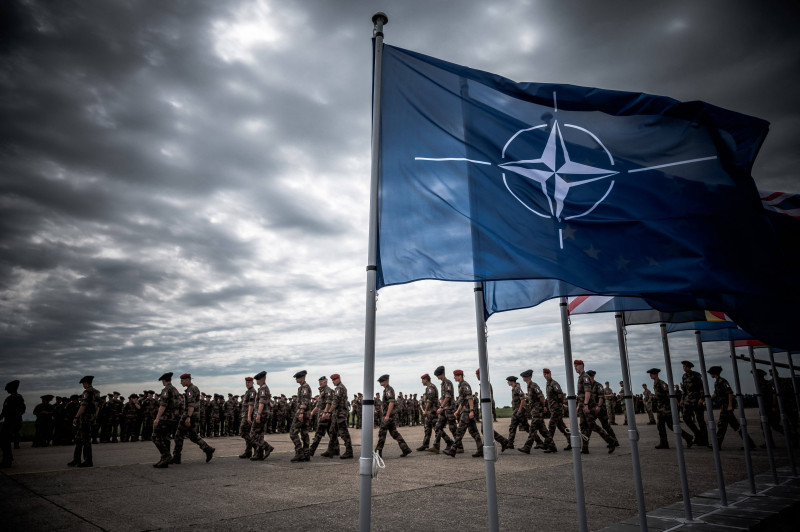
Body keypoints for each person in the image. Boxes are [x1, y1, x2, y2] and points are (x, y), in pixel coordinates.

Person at [708, 366, 755, 449]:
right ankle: (749, 443)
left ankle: (717, 444)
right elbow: (716, 393)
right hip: (724, 405)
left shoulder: (723, 381)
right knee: (735, 425)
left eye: (710, 373)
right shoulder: (717, 382)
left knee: (722, 424)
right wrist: (708, 400)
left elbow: (730, 393)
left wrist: (730, 406)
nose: (710, 374)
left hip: (727, 405)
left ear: (714, 373)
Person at [173, 373, 215, 464]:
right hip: (195, 415)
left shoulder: (190, 390)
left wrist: (188, 417)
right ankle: (208, 449)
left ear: (188, 380)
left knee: (178, 435)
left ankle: (176, 457)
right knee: (193, 436)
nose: (181, 382)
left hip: (189, 415)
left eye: (182, 380)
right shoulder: (194, 388)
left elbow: (191, 404)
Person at [575, 360, 615, 454]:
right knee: (583, 426)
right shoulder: (581, 377)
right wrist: (579, 405)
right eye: (574, 366)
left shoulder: (585, 377)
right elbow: (580, 394)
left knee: (592, 425)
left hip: (587, 406)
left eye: (577, 365)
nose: (575, 367)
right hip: (582, 405)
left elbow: (587, 392)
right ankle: (585, 448)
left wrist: (585, 405)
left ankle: (611, 441)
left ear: (582, 366)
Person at [649, 368, 693, 449]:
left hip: (666, 408)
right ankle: (664, 443)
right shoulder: (655, 383)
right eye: (650, 374)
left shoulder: (661, 383)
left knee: (671, 425)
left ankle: (688, 437)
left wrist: (675, 403)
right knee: (660, 426)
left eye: (652, 374)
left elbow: (670, 393)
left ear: (656, 374)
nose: (650, 375)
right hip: (660, 408)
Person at [443, 369, 483, 458]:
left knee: (459, 431)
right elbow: (463, 400)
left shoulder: (465, 385)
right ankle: (481, 450)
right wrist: (457, 411)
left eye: (455, 376)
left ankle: (453, 450)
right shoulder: (460, 385)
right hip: (465, 411)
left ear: (460, 376)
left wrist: (472, 410)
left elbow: (469, 398)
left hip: (467, 412)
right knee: (474, 432)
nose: (454, 377)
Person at [519, 369, 556, 454]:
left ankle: (527, 447)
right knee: (544, 431)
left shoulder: (534, 385)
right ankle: (552, 446)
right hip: (535, 411)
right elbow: (533, 398)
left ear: (528, 377)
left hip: (537, 412)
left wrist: (543, 407)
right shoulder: (529, 386)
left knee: (532, 430)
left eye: (524, 376)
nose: (523, 378)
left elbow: (541, 397)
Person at [375, 374, 412, 458]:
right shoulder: (386, 390)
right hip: (390, 416)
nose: (380, 382)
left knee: (382, 433)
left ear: (386, 381)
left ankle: (378, 452)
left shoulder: (388, 389)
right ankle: (405, 449)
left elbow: (391, 402)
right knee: (394, 433)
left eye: (382, 381)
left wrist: (387, 415)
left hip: (388, 416)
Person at [152, 372, 183, 468]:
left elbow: (163, 405)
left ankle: (166, 456)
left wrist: (157, 418)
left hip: (166, 418)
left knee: (155, 436)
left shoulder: (166, 390)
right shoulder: (175, 390)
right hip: (173, 418)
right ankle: (164, 460)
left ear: (164, 380)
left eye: (162, 380)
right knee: (165, 438)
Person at [68, 376, 99, 468]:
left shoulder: (87, 392)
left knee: (85, 440)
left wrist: (76, 417)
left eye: (83, 384)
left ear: (86, 383)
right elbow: (97, 407)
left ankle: (88, 461)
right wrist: (94, 418)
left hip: (85, 419)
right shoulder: (97, 392)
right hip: (90, 418)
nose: (83, 385)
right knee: (79, 438)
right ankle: (76, 459)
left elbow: (83, 406)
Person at [475, 369, 509, 450]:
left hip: (487, 410)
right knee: (486, 429)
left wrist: (487, 410)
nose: (476, 376)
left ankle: (501, 441)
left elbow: (488, 398)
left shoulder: (486, 384)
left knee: (485, 429)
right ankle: (502, 441)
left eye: (477, 374)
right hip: (486, 410)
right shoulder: (485, 383)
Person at [428, 366, 457, 454]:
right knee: (438, 426)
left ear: (442, 374)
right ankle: (437, 446)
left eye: (438, 375)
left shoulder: (448, 383)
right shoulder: (443, 384)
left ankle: (459, 446)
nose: (437, 377)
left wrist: (441, 407)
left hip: (449, 409)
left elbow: (448, 397)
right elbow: (444, 397)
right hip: (445, 409)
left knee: (453, 428)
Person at [680, 360, 709, 447]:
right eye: (683, 366)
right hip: (688, 400)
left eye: (685, 366)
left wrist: (701, 398)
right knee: (685, 417)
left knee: (700, 420)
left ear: (689, 367)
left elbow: (701, 387)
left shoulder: (696, 375)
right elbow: (684, 390)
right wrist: (682, 399)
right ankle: (698, 434)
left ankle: (704, 440)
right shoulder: (684, 376)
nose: (684, 368)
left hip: (697, 400)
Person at [249, 371, 276, 461]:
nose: (256, 381)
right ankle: (259, 454)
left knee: (252, 434)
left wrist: (258, 414)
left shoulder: (263, 389)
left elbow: (261, 403)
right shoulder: (262, 388)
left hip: (261, 414)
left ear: (262, 379)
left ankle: (267, 447)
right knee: (260, 434)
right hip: (263, 414)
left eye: (258, 379)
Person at [309, 376, 338, 457]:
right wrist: (312, 412)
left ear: (326, 382)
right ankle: (336, 449)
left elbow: (328, 403)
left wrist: (325, 413)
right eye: (319, 381)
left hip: (325, 415)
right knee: (331, 432)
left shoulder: (328, 390)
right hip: (323, 414)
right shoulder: (322, 391)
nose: (320, 383)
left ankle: (311, 451)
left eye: (322, 381)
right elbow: (318, 405)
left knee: (318, 432)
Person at [589, 371, 618, 448]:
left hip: (601, 409)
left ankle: (615, 441)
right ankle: (585, 446)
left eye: (591, 376)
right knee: (589, 425)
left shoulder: (598, 385)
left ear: (593, 376)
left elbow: (601, 397)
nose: (589, 378)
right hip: (592, 410)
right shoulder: (587, 386)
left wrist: (598, 406)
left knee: (606, 425)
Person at [1, 380, 26, 468]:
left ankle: (7, 460)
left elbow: (22, 410)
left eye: (8, 388)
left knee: (5, 440)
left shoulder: (18, 397)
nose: (7, 390)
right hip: (8, 422)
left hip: (13, 422)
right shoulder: (9, 398)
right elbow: (4, 411)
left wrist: (15, 417)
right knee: (4, 441)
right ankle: (7, 459)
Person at [543, 369, 570, 450]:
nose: (546, 375)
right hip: (552, 408)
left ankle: (550, 445)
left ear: (550, 374)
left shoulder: (554, 383)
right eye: (544, 374)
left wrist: (562, 404)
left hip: (557, 409)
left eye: (547, 374)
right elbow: (548, 397)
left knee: (551, 426)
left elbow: (560, 395)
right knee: (562, 427)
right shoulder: (548, 384)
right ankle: (572, 441)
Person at [290, 370, 313, 462]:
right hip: (304, 414)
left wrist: (301, 413)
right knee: (304, 433)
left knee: (292, 432)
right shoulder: (302, 387)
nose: (296, 379)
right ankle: (306, 454)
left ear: (302, 378)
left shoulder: (305, 388)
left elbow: (305, 401)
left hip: (302, 413)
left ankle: (299, 452)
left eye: (297, 377)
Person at [329, 374, 354, 459]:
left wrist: (329, 412)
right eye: (332, 380)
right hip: (337, 414)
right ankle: (331, 450)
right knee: (332, 431)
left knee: (343, 433)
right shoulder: (340, 387)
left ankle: (349, 451)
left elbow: (335, 401)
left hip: (340, 414)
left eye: (334, 380)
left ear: (339, 379)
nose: (333, 381)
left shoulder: (339, 388)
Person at [418, 373, 439, 451]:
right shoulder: (428, 387)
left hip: (432, 412)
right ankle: (425, 445)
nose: (422, 382)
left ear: (426, 380)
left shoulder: (430, 387)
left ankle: (448, 442)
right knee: (427, 429)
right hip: (430, 412)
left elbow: (429, 401)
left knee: (437, 429)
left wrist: (425, 410)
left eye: (422, 380)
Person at [505, 375, 526, 451]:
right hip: (516, 411)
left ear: (512, 381)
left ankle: (539, 441)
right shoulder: (514, 389)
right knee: (513, 427)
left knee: (526, 427)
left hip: (519, 410)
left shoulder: (517, 388)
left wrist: (520, 410)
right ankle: (510, 443)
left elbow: (523, 399)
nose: (508, 382)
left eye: (508, 381)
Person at [238, 376, 257, 458]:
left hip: (247, 416)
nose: (247, 383)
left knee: (242, 432)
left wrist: (249, 416)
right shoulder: (248, 391)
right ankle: (248, 451)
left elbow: (251, 404)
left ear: (253, 383)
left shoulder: (252, 391)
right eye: (246, 382)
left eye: (249, 382)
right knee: (248, 433)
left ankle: (257, 446)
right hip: (245, 415)